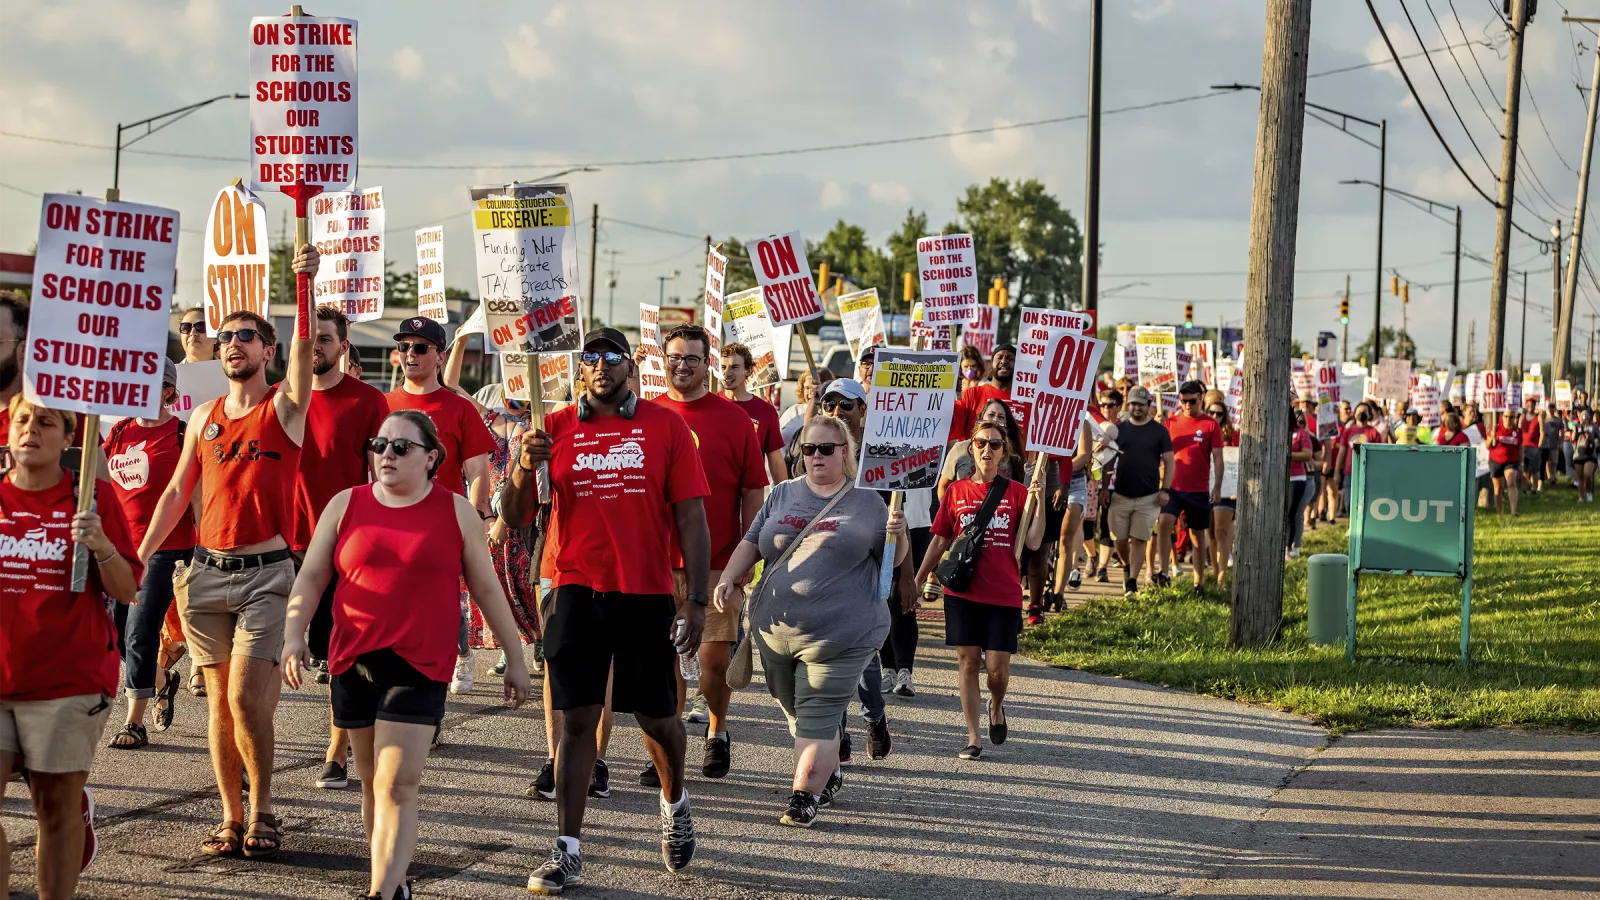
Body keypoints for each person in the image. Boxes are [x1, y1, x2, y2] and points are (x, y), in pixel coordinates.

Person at [281, 410, 532, 900]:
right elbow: (311, 577)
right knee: (374, 783)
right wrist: (293, 635)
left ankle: (380, 891)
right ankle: (392, 884)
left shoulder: (456, 510)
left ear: (431, 457)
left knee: (398, 783)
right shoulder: (344, 504)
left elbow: (485, 586)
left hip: (420, 663)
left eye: (400, 447)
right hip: (353, 659)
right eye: (379, 445)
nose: (386, 455)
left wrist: (515, 657)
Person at [502, 328, 709, 893]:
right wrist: (525, 463)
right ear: (579, 369)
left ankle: (674, 803)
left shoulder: (667, 427)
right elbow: (518, 516)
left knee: (659, 721)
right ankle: (566, 849)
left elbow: (691, 517)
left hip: (643, 594)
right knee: (575, 723)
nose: (599, 367)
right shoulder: (554, 428)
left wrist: (692, 598)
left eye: (611, 358)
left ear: (629, 366)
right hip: (574, 589)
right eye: (589, 358)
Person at [138, 246, 319, 859]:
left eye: (247, 336)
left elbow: (303, 352)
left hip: (269, 574)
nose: (233, 345)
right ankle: (231, 816)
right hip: (205, 575)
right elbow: (174, 492)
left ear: (268, 351)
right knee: (218, 704)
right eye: (225, 338)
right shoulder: (201, 418)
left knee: (245, 697)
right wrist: (141, 556)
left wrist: (305, 279)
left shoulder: (285, 411)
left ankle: (266, 809)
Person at [716, 415, 909, 827]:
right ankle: (829, 766)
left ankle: (803, 794)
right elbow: (752, 541)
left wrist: (899, 533)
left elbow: (892, 562)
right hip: (776, 633)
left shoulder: (870, 502)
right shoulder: (782, 493)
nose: (816, 456)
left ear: (845, 452)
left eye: (826, 448)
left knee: (817, 713)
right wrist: (730, 578)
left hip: (842, 634)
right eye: (808, 449)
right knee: (795, 708)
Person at [0, 398, 139, 900]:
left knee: (54, 809)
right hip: (1, 677)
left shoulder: (93, 498)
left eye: (45, 422)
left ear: (68, 437)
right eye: (22, 421)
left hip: (67, 681)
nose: (31, 430)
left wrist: (101, 545)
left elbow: (127, 591)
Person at [653, 324, 767, 783]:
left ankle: (717, 731)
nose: (683, 366)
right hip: (657, 560)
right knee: (666, 659)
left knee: (712, 660)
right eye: (675, 357)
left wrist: (748, 552)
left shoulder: (734, 418)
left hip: (719, 559)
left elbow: (753, 488)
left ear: (708, 365)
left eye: (693, 359)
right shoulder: (647, 414)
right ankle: (667, 740)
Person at [294, 306, 389, 791]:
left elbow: (383, 478)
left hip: (342, 548)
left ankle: (337, 750)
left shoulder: (368, 401)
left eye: (325, 339)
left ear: (343, 346)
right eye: (308, 339)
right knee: (273, 655)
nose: (315, 348)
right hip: (281, 547)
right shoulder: (279, 399)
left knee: (338, 655)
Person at [916, 419, 1046, 760]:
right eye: (980, 443)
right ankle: (973, 737)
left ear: (1004, 452)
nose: (987, 449)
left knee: (997, 671)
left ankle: (997, 705)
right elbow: (941, 539)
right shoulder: (957, 491)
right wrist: (918, 579)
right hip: (963, 592)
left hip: (1003, 593)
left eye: (994, 444)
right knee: (968, 662)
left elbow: (1033, 540)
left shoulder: (1017, 492)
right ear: (971, 447)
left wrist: (1039, 500)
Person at [384, 316, 497, 694]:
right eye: (404, 347)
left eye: (420, 348)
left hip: (440, 529)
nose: (410, 354)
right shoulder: (382, 404)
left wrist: (478, 517)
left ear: (440, 355)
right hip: (389, 529)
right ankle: (401, 698)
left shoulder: (458, 408)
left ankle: (436, 687)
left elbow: (478, 470)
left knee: (437, 614)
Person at [102, 360, 194, 749]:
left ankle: (133, 723)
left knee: (139, 630)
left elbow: (197, 494)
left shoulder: (181, 433)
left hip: (165, 549)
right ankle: (161, 680)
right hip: (121, 547)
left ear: (169, 391)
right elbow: (101, 480)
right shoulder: (120, 429)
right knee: (115, 632)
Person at [811, 377, 894, 761]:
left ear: (863, 411)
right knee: (827, 657)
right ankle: (836, 733)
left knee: (863, 660)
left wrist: (905, 575)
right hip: (824, 569)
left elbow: (897, 520)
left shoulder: (883, 453)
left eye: (847, 405)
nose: (837, 412)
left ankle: (874, 716)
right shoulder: (810, 447)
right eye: (830, 404)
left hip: (867, 568)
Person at [1105, 387, 1172, 596]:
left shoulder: (1159, 431)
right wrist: (1105, 488)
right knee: (1120, 540)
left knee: (1140, 539)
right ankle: (1126, 566)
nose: (1136, 408)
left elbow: (1169, 461)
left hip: (1149, 497)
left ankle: (1132, 581)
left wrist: (1165, 489)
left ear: (1148, 406)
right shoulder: (1119, 429)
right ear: (1128, 404)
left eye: (1141, 404)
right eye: (1133, 403)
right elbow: (1108, 460)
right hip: (1120, 494)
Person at [1157, 381, 1222, 587]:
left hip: (1198, 490)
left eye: (1192, 401)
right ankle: (1164, 573)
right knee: (1165, 523)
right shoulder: (1171, 422)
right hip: (1174, 488)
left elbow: (1218, 459)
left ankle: (1198, 582)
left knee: (1197, 536)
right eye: (1183, 401)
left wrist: (1217, 487)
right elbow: (1161, 454)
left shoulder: (1211, 425)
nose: (1187, 405)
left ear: (1200, 399)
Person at [720, 342, 788, 485]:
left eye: (735, 367)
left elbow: (775, 462)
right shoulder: (710, 404)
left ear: (749, 370)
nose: (727, 373)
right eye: (723, 367)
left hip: (751, 494)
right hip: (716, 493)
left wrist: (785, 498)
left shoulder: (766, 411)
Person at [949, 344, 1020, 440]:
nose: (1004, 361)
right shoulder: (972, 394)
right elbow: (951, 424)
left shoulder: (1028, 400)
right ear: (991, 364)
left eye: (1010, 359)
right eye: (999, 358)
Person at [1205, 400, 1239, 577]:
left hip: (1226, 491)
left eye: (1219, 414)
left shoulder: (1233, 435)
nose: (1214, 417)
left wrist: (1237, 488)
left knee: (1222, 532)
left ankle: (1222, 577)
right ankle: (1215, 571)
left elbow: (1238, 462)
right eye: (1211, 412)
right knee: (1210, 533)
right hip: (1204, 487)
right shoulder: (1201, 432)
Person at [779, 366, 834, 446]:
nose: (810, 393)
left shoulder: (831, 416)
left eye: (815, 389)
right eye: (807, 388)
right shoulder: (793, 410)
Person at [1287, 409, 1315, 559]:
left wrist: (1288, 454)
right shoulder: (1278, 432)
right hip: (1281, 480)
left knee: (1291, 514)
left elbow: (1307, 454)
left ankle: (1290, 547)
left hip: (1296, 479)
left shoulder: (1301, 433)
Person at [1490, 409, 1524, 516]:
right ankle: (1500, 512)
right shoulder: (1495, 428)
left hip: (1511, 461)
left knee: (1511, 482)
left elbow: (1520, 448)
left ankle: (1514, 511)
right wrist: (1492, 437)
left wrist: (1521, 463)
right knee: (1498, 488)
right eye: (1506, 416)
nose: (1508, 419)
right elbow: (1487, 445)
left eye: (1511, 417)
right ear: (1502, 416)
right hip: (1496, 460)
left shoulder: (1517, 431)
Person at [1570, 408, 1599, 502]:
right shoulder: (1577, 427)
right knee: (1580, 477)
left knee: (1588, 475)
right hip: (1578, 454)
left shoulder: (1593, 427)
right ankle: (1581, 497)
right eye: (1582, 417)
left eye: (1586, 417)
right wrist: (1575, 431)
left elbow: (1598, 438)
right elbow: (1573, 439)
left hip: (1590, 454)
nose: (1584, 419)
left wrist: (1595, 443)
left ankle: (1589, 494)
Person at [1521, 405, 1545, 494]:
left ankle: (1534, 488)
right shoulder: (1523, 417)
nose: (1530, 406)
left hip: (1534, 446)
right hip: (1524, 446)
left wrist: (1539, 445)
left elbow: (1542, 431)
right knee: (1525, 470)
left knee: (1534, 470)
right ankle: (1524, 488)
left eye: (1532, 403)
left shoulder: (1538, 417)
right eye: (1529, 403)